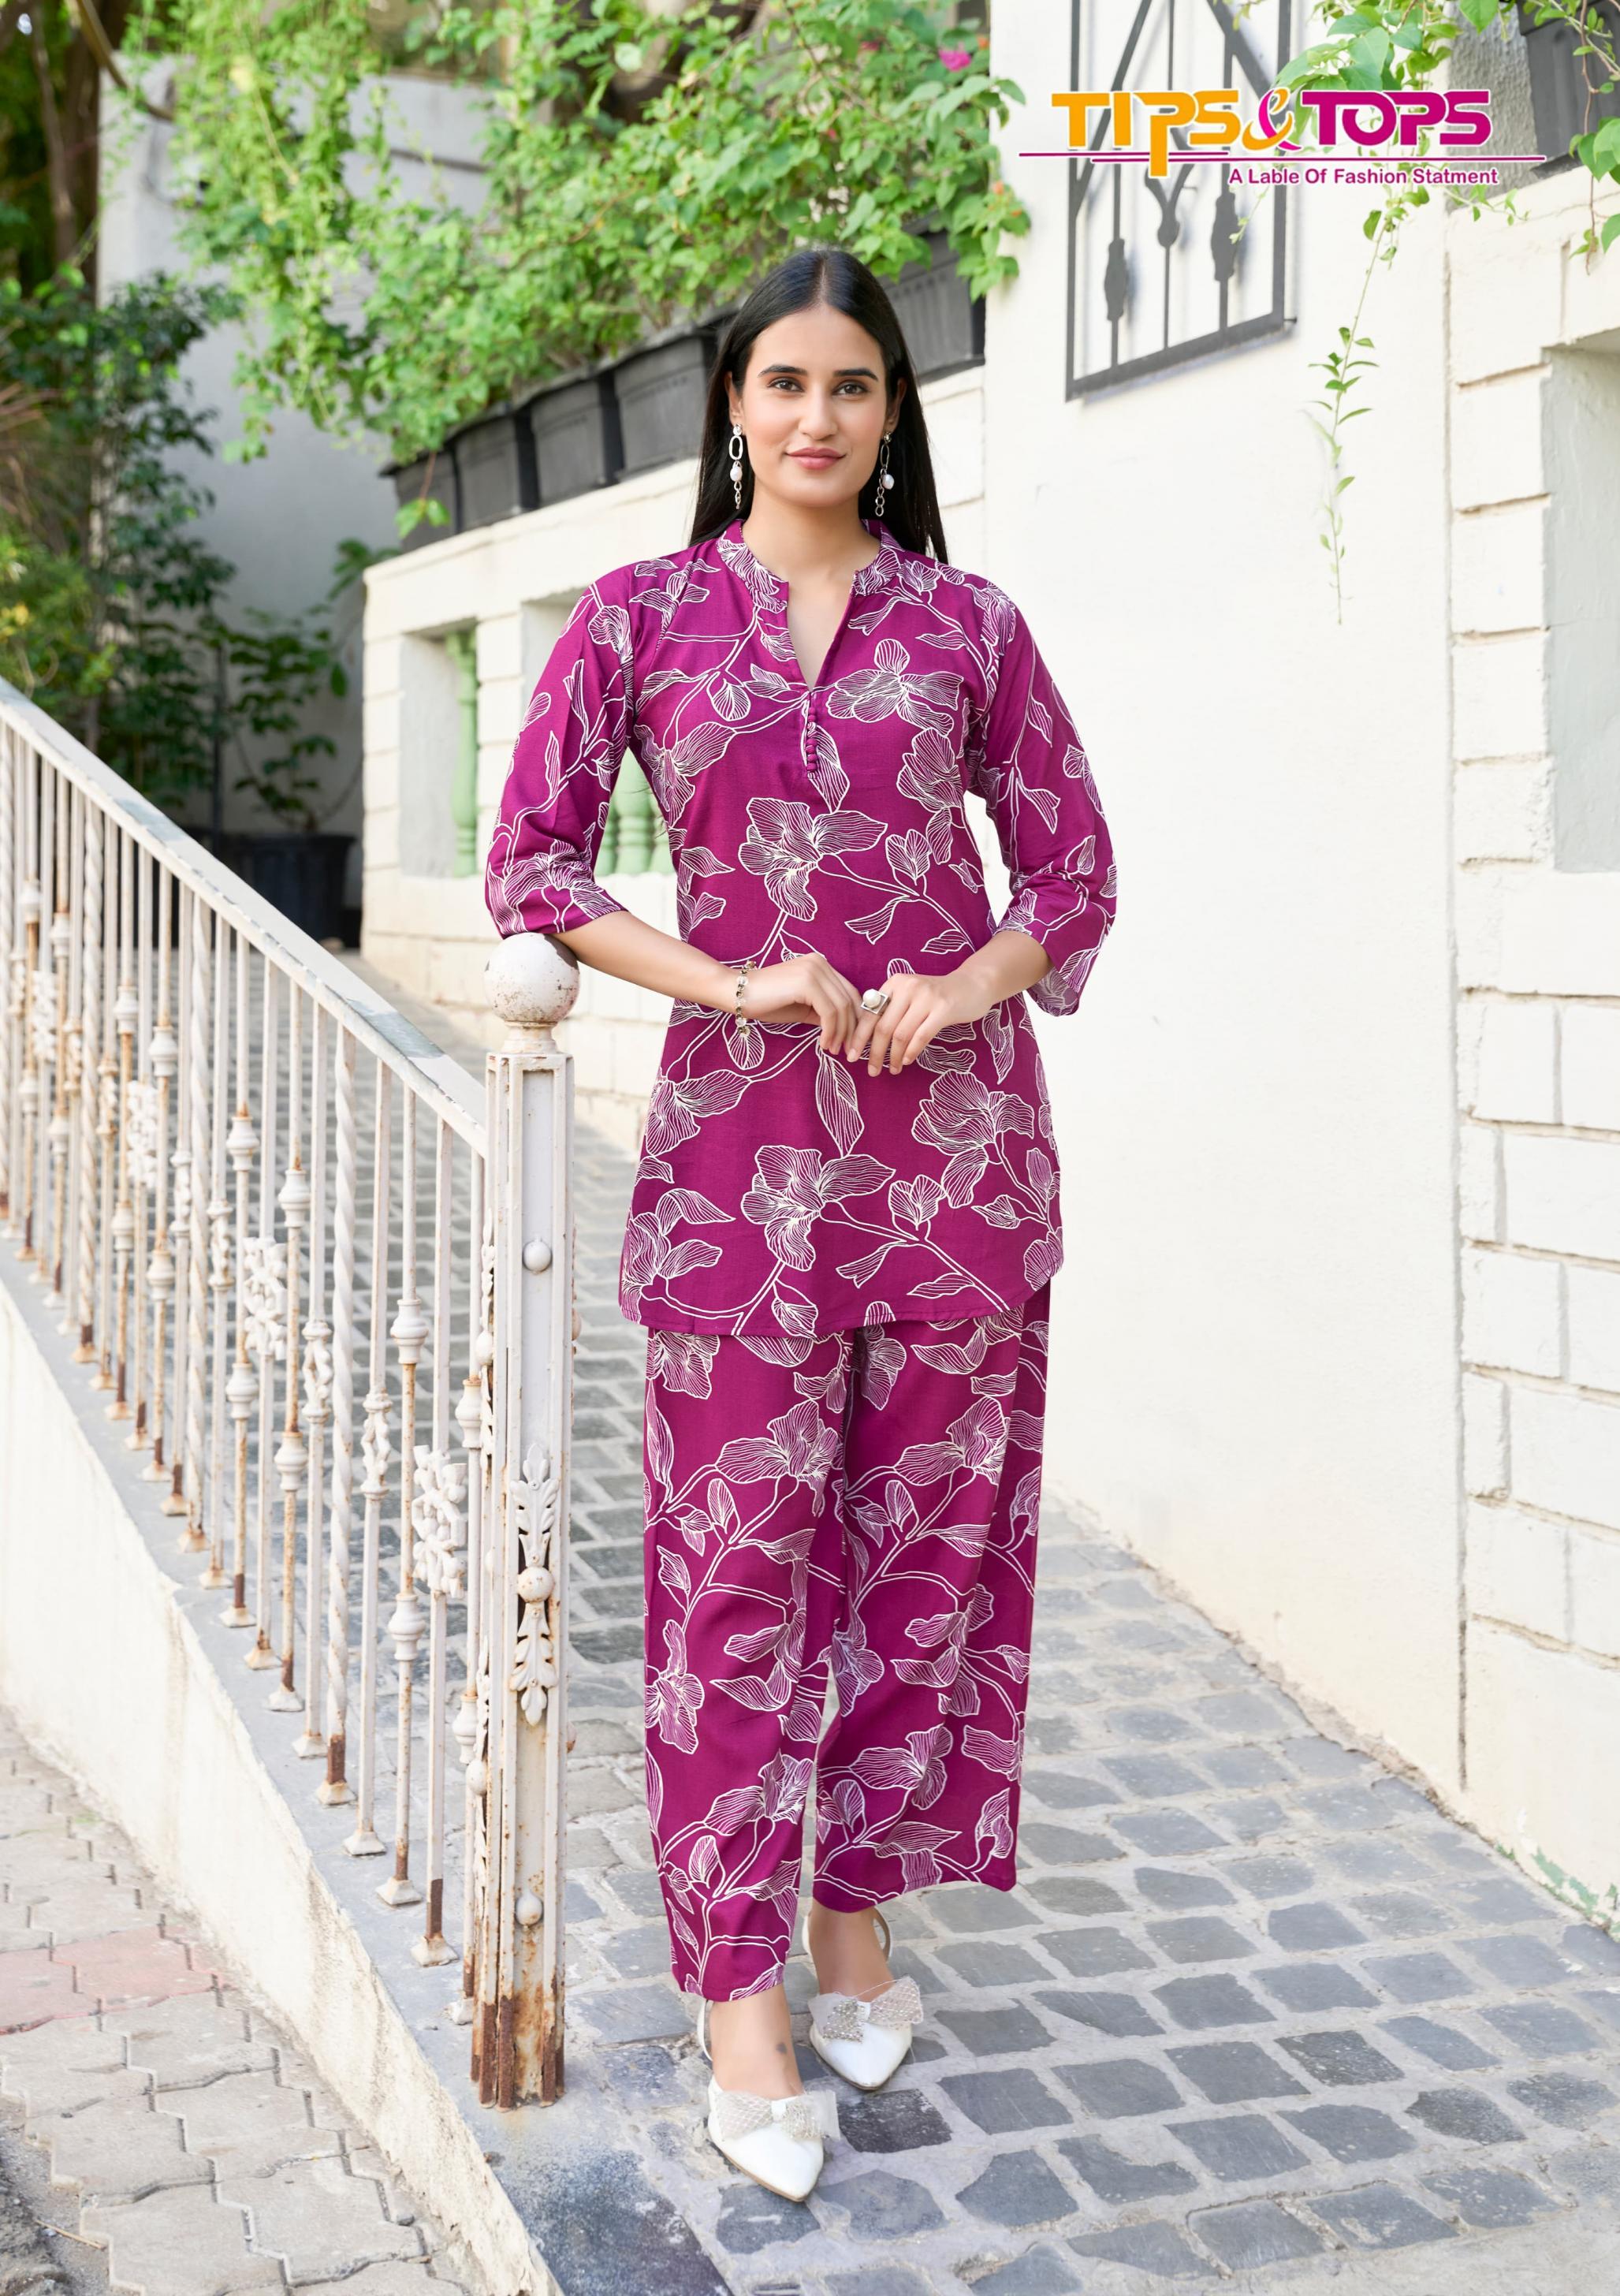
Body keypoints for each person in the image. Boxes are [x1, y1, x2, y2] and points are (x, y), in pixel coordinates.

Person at [486, 244, 1117, 2201]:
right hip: (735, 1183)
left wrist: (968, 978)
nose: (817, 416)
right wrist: (727, 979)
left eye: (852, 384)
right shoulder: (640, 618)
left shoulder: (968, 625)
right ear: (731, 405)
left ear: (892, 409)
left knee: (924, 1570)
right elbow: (533, 863)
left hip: (956, 1173)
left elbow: (1072, 876)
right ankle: (735, 1993)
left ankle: (854, 1911)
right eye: (784, 383)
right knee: (734, 1579)